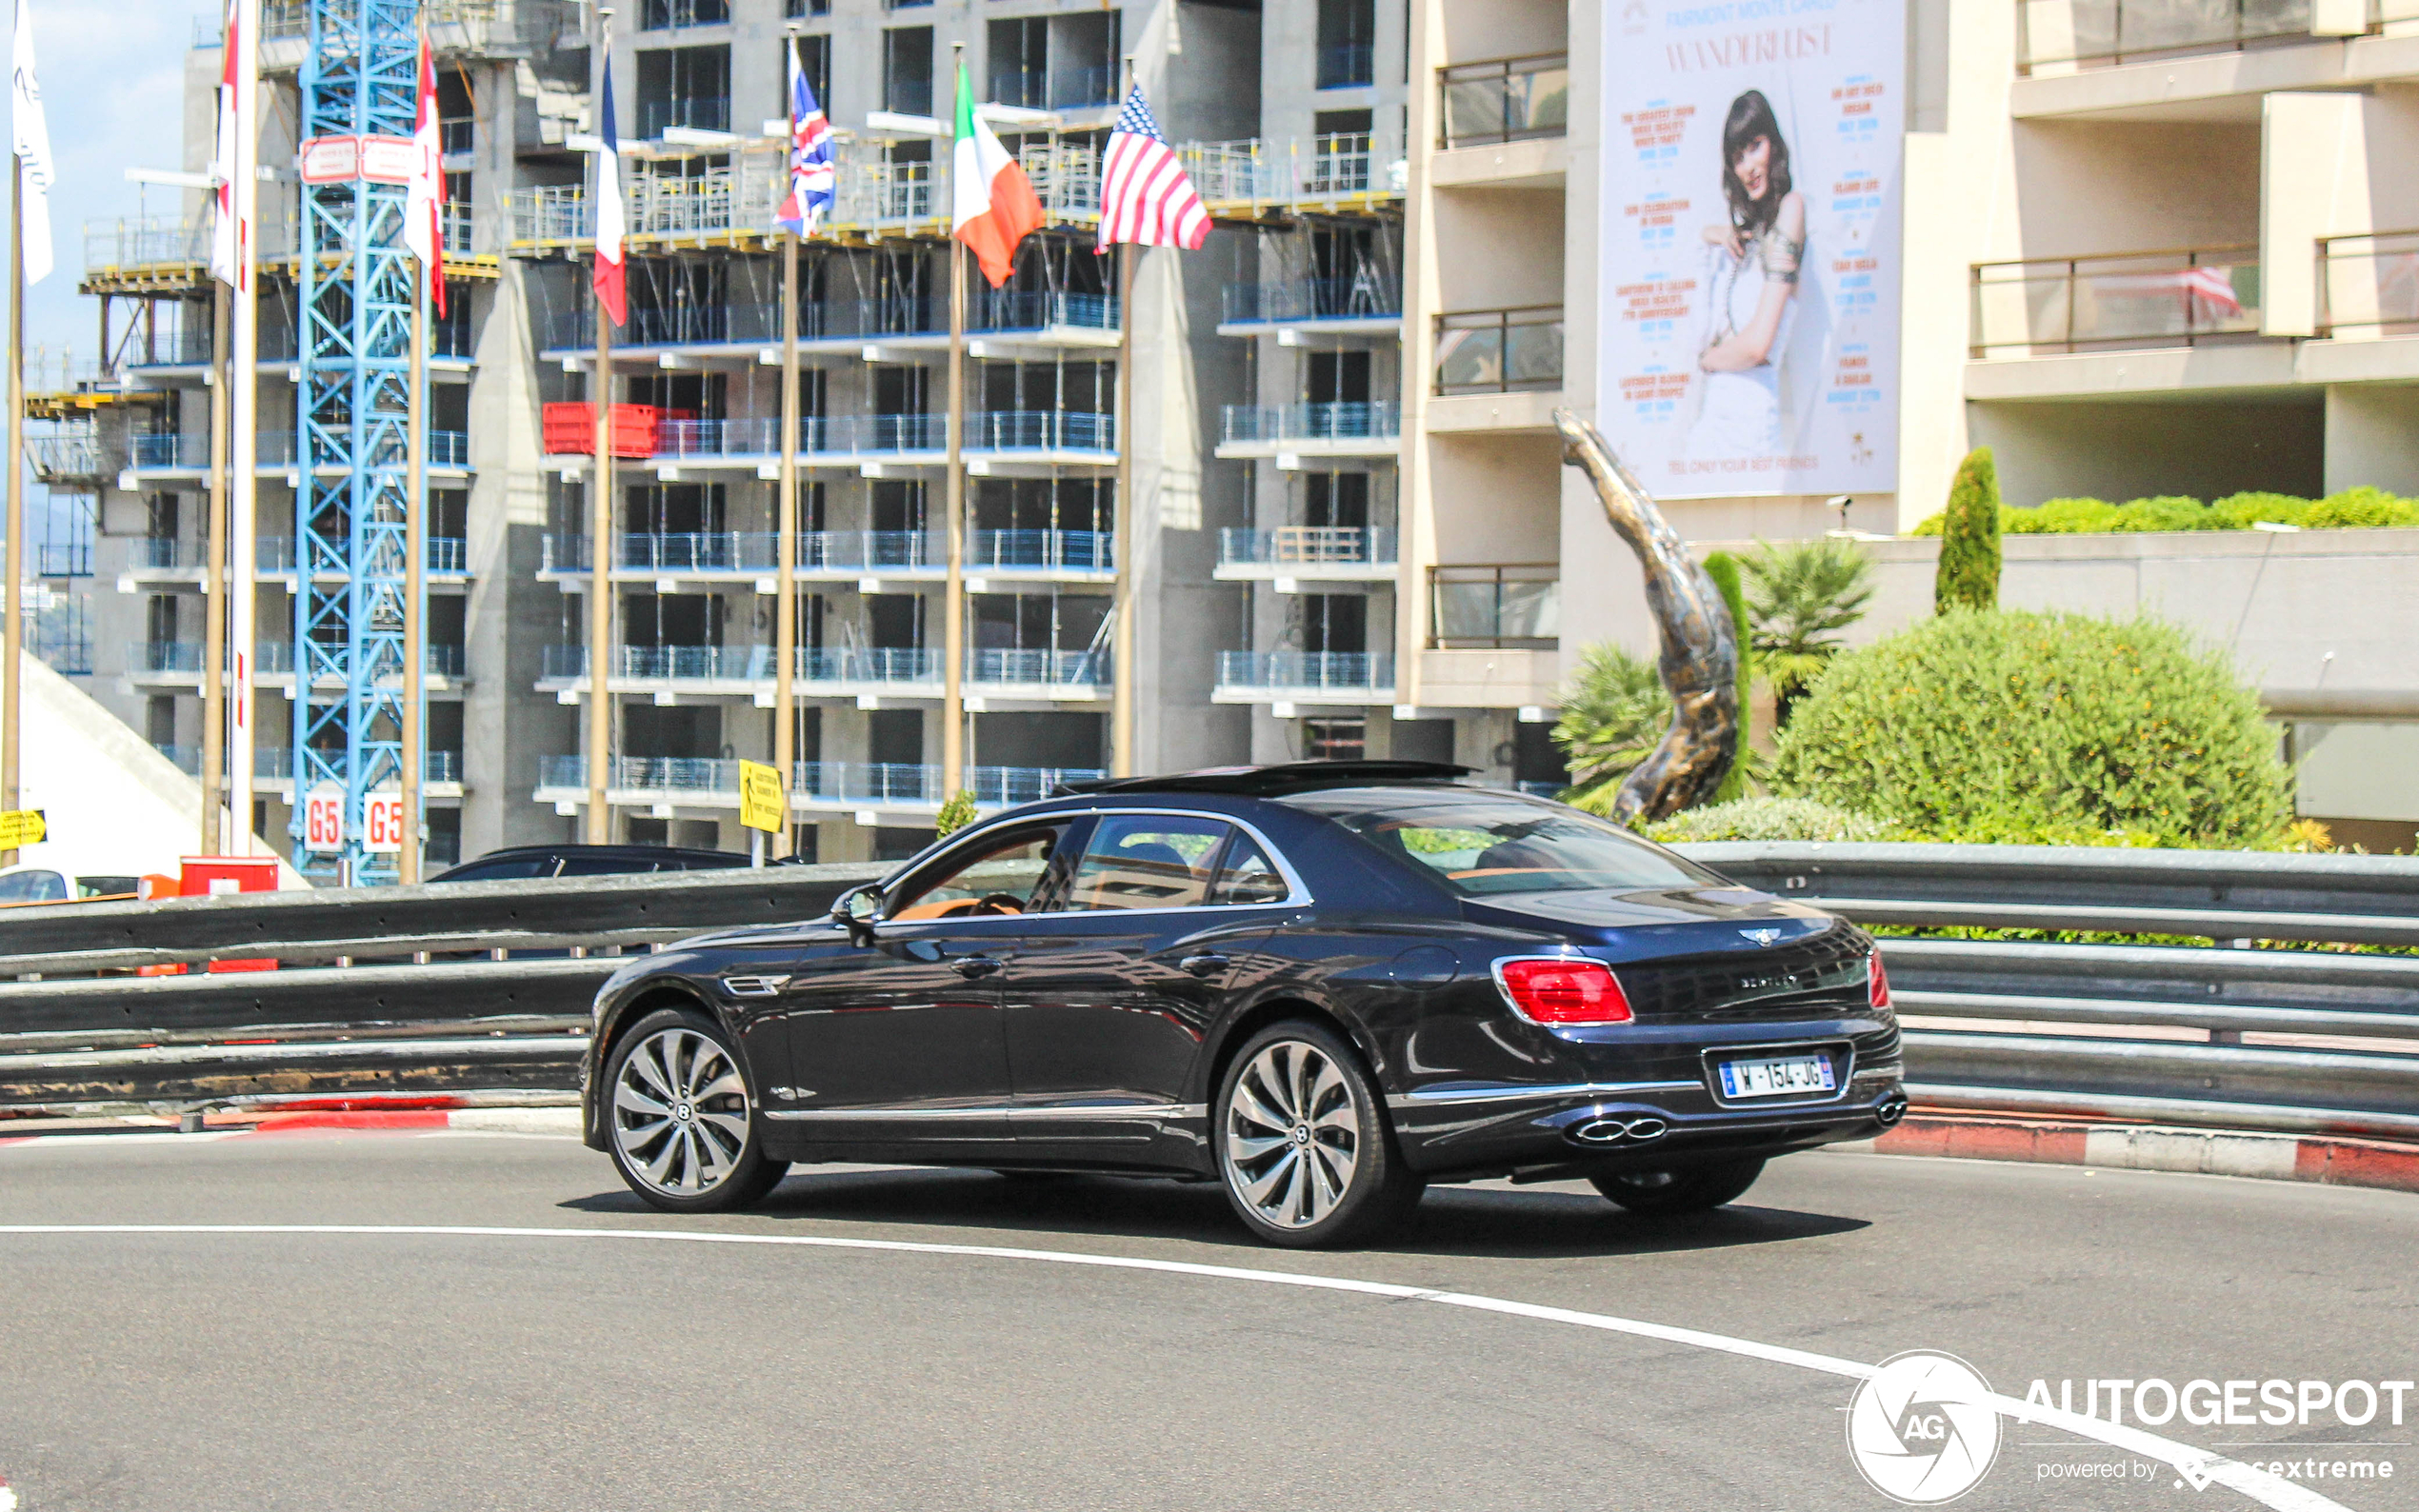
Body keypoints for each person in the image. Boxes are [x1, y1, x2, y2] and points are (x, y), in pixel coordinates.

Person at [1686, 90, 1807, 462]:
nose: (1749, 167)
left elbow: (1757, 345)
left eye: (1755, 146)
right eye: (1738, 157)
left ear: (1774, 143)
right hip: (1714, 418)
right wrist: (1717, 232)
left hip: (1749, 426)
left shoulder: (1792, 208)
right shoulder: (1752, 234)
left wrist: (1707, 360)